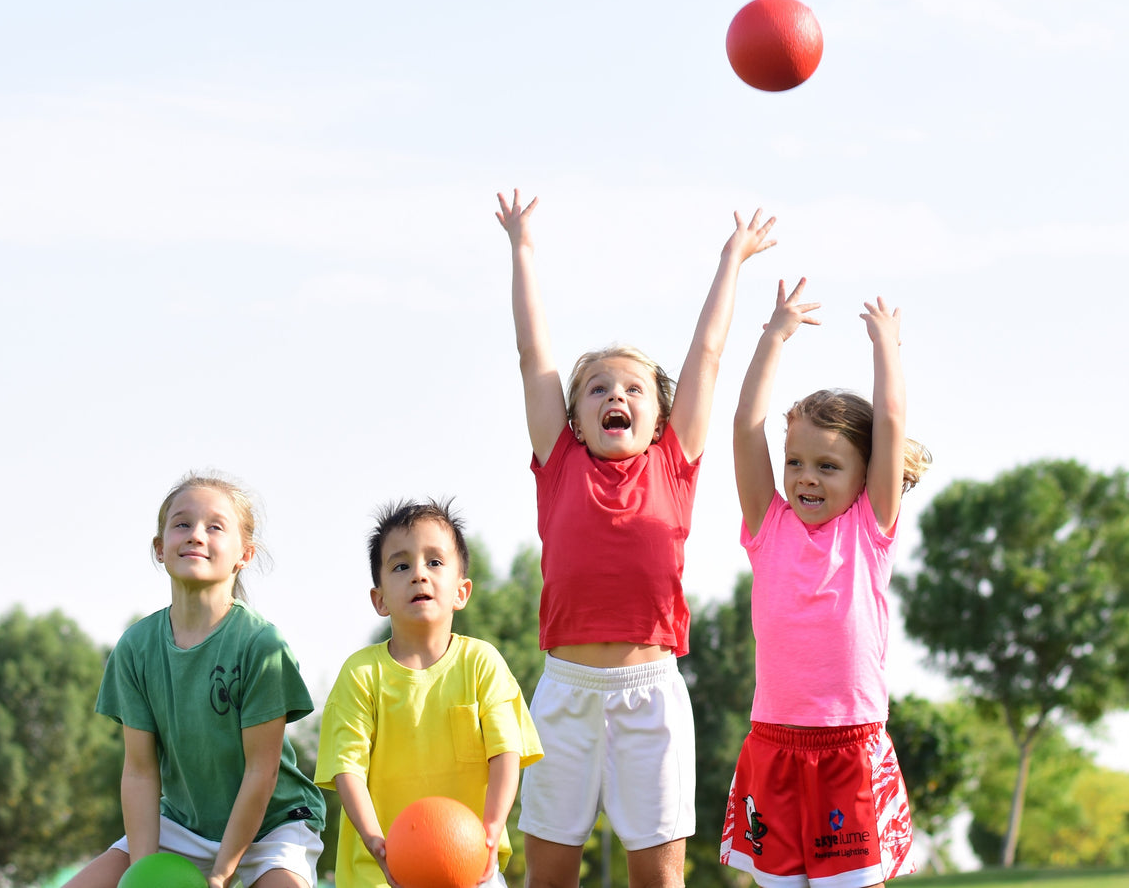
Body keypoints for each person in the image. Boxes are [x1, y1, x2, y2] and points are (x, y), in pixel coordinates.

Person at [495, 188, 776, 888]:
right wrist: (522, 249)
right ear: (575, 420)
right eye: (594, 389)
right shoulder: (559, 464)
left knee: (658, 878)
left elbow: (707, 356)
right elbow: (534, 355)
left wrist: (731, 260)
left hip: (651, 693)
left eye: (631, 389)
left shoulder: (672, 462)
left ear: (658, 417)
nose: (613, 396)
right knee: (549, 875)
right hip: (564, 692)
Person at [719, 279, 932, 888]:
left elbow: (890, 420)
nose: (805, 478)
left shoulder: (870, 528)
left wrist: (886, 345)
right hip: (774, 747)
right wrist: (774, 336)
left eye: (828, 465)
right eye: (795, 463)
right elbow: (744, 425)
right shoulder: (768, 524)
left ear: (866, 475)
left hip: (851, 748)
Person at [65, 473, 326, 888]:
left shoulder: (261, 645)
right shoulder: (136, 648)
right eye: (182, 524)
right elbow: (139, 772)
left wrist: (222, 873)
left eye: (215, 526)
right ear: (160, 548)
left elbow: (263, 772)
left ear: (245, 554)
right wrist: (148, 873)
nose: (196, 535)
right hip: (184, 825)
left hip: (272, 824)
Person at [316, 498, 543, 888]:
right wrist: (377, 844)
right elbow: (346, 769)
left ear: (461, 591)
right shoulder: (360, 674)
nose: (418, 574)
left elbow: (506, 752)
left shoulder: (482, 662)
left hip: (470, 868)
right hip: (378, 874)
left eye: (434, 562)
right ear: (380, 599)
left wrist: (490, 832)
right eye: (401, 565)